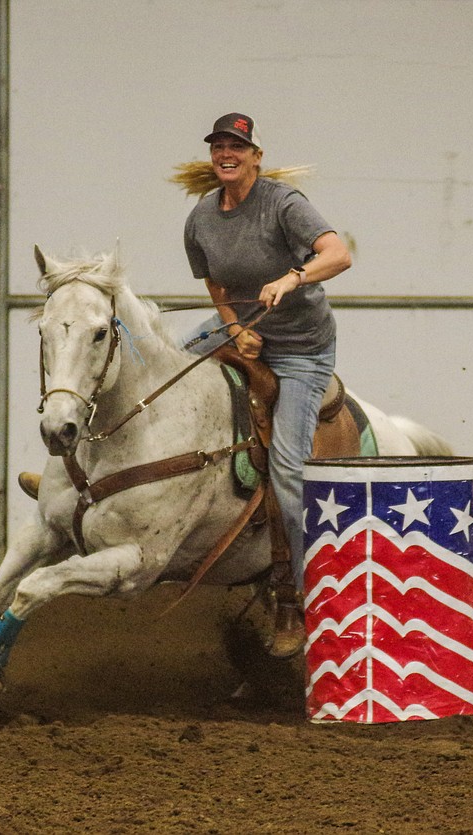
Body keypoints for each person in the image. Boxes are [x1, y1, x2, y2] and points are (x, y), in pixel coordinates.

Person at [181, 112, 352, 657]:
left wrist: (293, 277)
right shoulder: (201, 217)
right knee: (167, 372)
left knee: (287, 470)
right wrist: (232, 326)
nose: (226, 153)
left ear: (255, 155)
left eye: (237, 145)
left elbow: (338, 253)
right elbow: (214, 279)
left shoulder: (284, 205)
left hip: (301, 347)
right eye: (218, 146)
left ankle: (294, 600)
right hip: (243, 327)